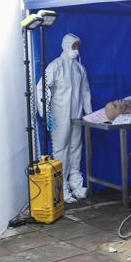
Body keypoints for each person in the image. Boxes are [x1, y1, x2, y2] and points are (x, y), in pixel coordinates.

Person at [36, 33, 92, 203]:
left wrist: (89, 115)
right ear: (66, 45)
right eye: (74, 46)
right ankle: (62, 188)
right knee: (61, 150)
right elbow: (41, 88)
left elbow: (85, 92)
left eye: (78, 46)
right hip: (59, 116)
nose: (76, 50)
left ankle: (76, 185)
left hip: (76, 115)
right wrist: (45, 113)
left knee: (76, 148)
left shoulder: (79, 69)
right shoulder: (55, 66)